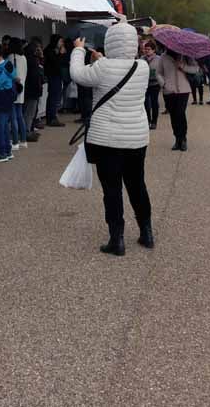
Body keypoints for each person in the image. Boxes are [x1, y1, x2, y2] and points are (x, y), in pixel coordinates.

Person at [69, 22, 153, 256]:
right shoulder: (142, 66)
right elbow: (116, 67)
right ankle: (146, 232)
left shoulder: (102, 67)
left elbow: (77, 74)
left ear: (110, 41)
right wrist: (101, 60)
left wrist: (78, 50)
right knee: (137, 185)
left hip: (106, 139)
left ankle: (117, 239)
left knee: (112, 190)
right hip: (136, 137)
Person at [156, 49, 198, 151]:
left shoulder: (186, 55)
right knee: (173, 115)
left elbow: (196, 69)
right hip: (169, 90)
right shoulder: (163, 57)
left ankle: (183, 138)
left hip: (183, 90)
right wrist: (164, 84)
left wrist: (183, 66)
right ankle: (177, 138)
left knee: (180, 113)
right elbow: (158, 73)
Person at [8, 39, 28, 149]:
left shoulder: (11, 57)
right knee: (20, 116)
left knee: (13, 117)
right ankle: (23, 140)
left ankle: (15, 142)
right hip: (21, 89)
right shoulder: (24, 58)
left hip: (13, 89)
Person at [23, 40, 43, 142]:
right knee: (30, 112)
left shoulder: (27, 59)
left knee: (28, 112)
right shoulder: (34, 60)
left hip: (28, 90)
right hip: (33, 90)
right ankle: (27, 132)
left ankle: (28, 130)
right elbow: (36, 77)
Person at [44, 35, 66, 127]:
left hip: (56, 76)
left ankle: (52, 117)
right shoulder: (49, 50)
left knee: (55, 97)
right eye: (60, 41)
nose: (61, 44)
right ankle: (52, 118)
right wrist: (60, 54)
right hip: (53, 76)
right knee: (53, 97)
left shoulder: (53, 50)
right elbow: (56, 63)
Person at [141, 40, 162, 130]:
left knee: (154, 103)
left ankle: (154, 122)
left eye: (149, 49)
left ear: (153, 50)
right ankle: (147, 120)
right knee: (145, 103)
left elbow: (161, 71)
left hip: (155, 84)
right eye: (145, 49)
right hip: (145, 84)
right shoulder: (142, 59)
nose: (147, 51)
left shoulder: (159, 59)